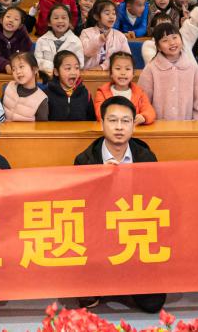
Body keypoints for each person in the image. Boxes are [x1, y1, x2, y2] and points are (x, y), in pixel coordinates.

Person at [73, 97, 164, 313]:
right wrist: (100, 180)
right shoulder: (85, 160)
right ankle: (101, 278)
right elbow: (79, 209)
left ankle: (128, 277)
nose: (119, 127)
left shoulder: (146, 157)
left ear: (133, 125)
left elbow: (158, 200)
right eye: (113, 120)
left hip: (136, 234)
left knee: (153, 304)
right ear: (102, 123)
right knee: (86, 298)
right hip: (98, 235)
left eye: (126, 121)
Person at [139, 23, 198, 120]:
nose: (172, 43)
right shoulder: (150, 69)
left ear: (181, 39)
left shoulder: (192, 67)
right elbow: (143, 100)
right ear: (158, 47)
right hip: (158, 125)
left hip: (187, 125)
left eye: (175, 37)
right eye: (165, 40)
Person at [91, 51, 155, 125]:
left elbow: (150, 111)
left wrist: (143, 117)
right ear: (111, 73)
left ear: (133, 73)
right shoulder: (102, 92)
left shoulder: (140, 93)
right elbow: (99, 113)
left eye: (127, 69)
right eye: (118, 68)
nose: (123, 73)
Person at [44, 50, 95, 121]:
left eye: (77, 68)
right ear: (56, 72)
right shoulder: (46, 94)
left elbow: (92, 121)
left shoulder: (86, 94)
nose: (73, 72)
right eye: (68, 68)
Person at [1, 51, 48, 121]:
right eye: (14, 69)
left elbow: (41, 126)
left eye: (21, 67)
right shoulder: (8, 87)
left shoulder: (41, 99)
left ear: (35, 69)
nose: (18, 72)